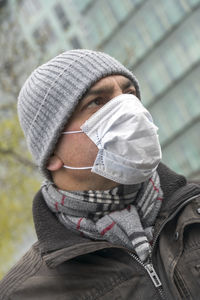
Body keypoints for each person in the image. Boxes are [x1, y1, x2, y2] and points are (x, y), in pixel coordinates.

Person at [0, 49, 200, 300]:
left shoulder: (195, 206)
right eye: (98, 101)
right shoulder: (26, 293)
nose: (130, 110)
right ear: (51, 152)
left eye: (129, 94)